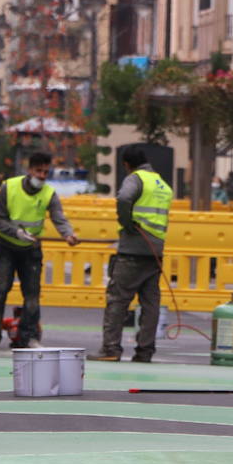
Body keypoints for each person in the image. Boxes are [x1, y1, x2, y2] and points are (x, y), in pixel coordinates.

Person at [0, 151, 79, 349]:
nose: (42, 176)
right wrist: (16, 232)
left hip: (30, 250)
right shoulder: (9, 187)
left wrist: (68, 234)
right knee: (0, 290)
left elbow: (58, 217)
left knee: (32, 295)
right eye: (39, 171)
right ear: (29, 170)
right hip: (4, 247)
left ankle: (30, 336)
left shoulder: (49, 194)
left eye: (46, 172)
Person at [90, 145, 172, 363]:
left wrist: (127, 224)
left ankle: (111, 348)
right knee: (150, 303)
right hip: (155, 252)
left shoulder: (135, 179)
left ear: (126, 164)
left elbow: (124, 199)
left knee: (118, 299)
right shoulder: (162, 184)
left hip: (133, 250)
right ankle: (145, 352)